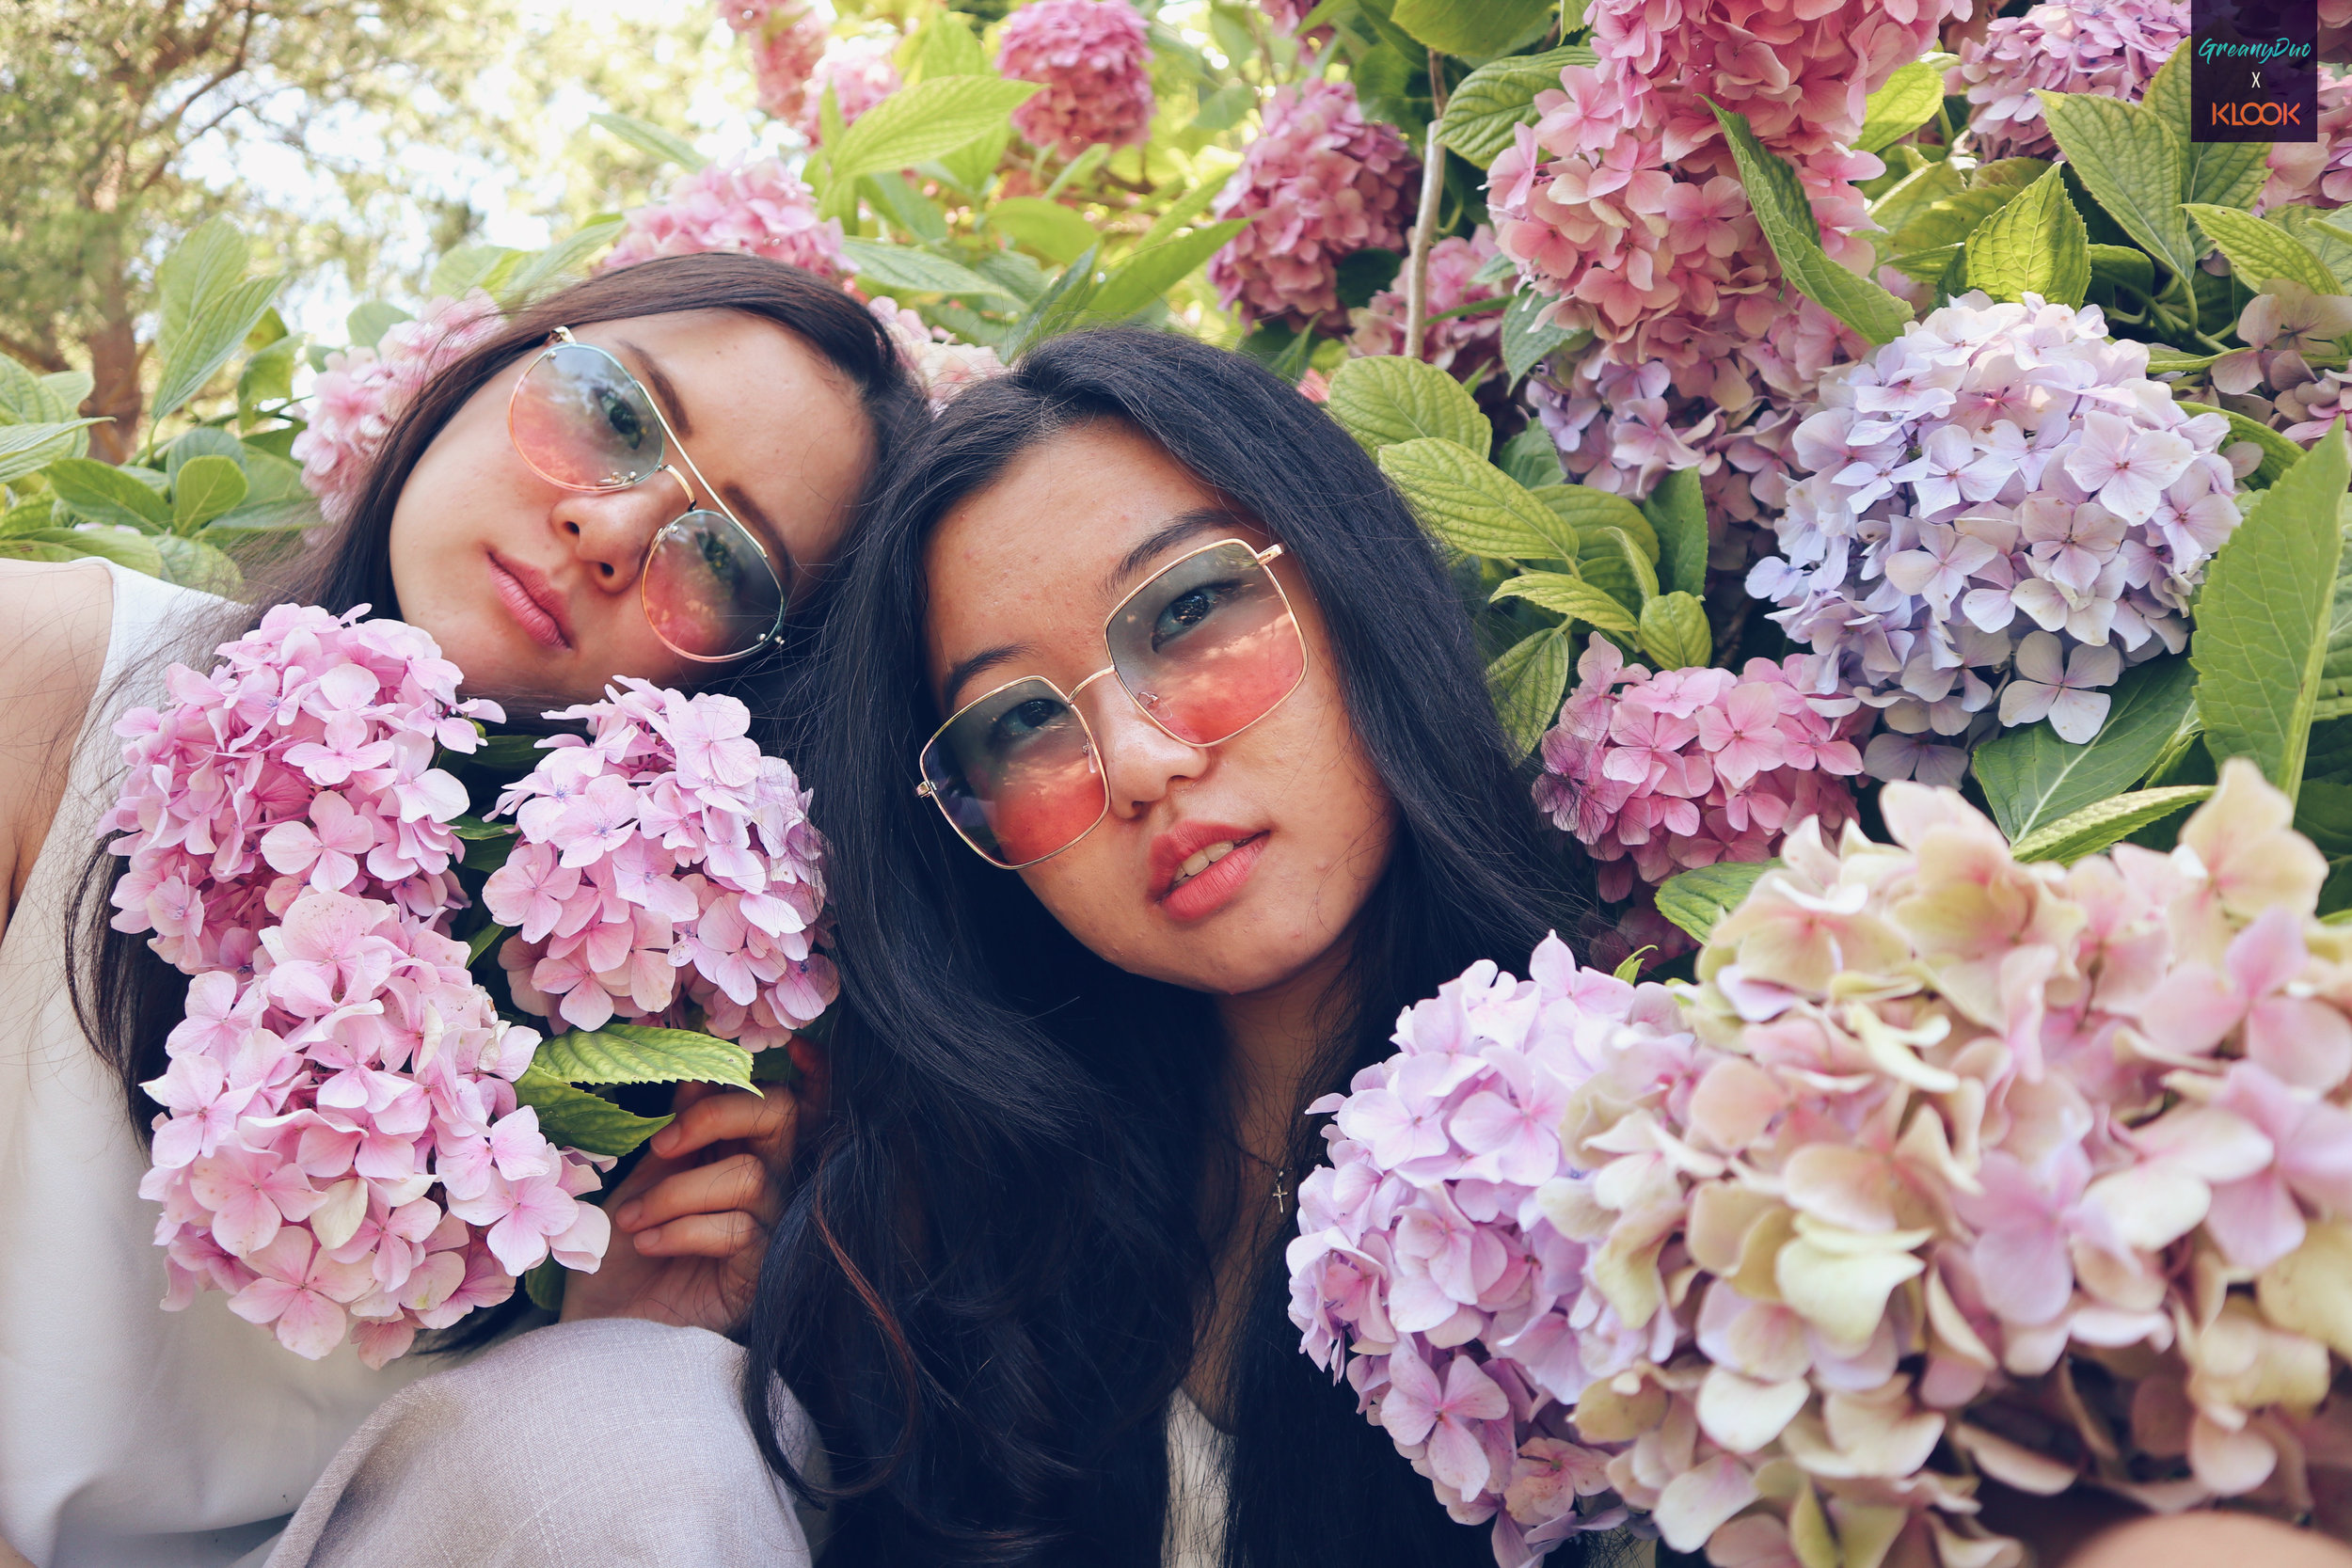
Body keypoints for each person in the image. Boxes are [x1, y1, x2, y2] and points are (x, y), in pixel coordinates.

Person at [0, 251, 925, 1568]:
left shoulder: (686, 1037)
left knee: (654, 1429)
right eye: (614, 413)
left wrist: (614, 1329)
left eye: (721, 560)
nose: (610, 531)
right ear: (491, 364)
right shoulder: (53, 679)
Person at [751, 325, 1601, 1565]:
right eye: (1022, 724)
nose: (1142, 763)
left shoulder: (1645, 1133)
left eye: (1190, 609)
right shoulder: (950, 1249)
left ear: (1349, 575)